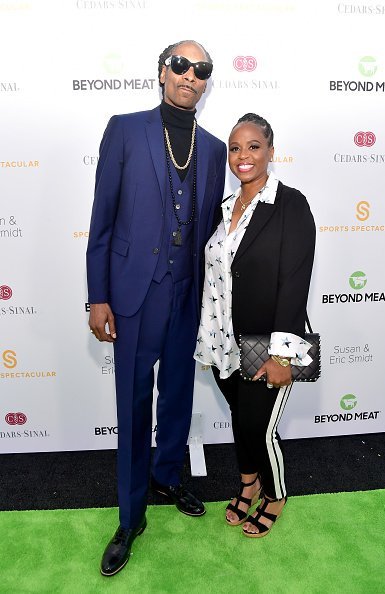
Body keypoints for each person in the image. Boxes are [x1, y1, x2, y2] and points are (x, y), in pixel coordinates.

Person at [86, 40, 226, 575]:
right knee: (132, 399)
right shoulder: (125, 128)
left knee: (178, 394)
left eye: (202, 70)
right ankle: (129, 514)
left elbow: (211, 229)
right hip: (132, 291)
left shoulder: (214, 148)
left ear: (207, 81)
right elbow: (101, 217)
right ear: (163, 72)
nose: (191, 75)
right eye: (181, 65)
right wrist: (97, 295)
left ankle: (169, 475)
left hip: (186, 291)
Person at [194, 113, 315, 537]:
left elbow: (294, 280)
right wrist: (208, 337)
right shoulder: (225, 208)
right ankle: (249, 483)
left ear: (270, 151)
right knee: (240, 419)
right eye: (235, 148)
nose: (243, 156)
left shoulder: (290, 204)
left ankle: (276, 494)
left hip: (266, 343)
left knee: (259, 428)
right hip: (223, 340)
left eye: (253, 146)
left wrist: (282, 353)